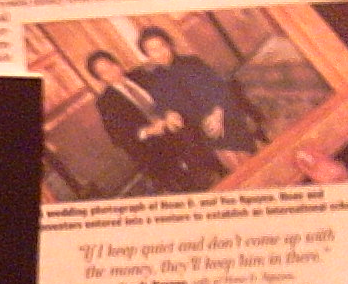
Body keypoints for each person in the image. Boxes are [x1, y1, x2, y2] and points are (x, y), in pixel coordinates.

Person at [87, 49, 222, 193]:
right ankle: (196, 186)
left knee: (193, 126)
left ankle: (220, 172)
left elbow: (169, 94)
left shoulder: (141, 75)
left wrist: (170, 112)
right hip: (150, 142)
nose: (112, 72)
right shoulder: (106, 102)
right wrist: (148, 131)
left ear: (117, 64)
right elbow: (118, 137)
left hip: (173, 121)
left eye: (111, 66)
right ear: (101, 79)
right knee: (169, 153)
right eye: (104, 73)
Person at [135, 25, 259, 172]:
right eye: (153, 50)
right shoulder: (155, 81)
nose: (160, 52)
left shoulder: (192, 63)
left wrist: (217, 114)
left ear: (169, 45)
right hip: (202, 128)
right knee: (232, 163)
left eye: (162, 46)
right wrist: (169, 114)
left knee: (246, 161)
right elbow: (161, 105)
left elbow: (220, 88)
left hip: (224, 113)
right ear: (148, 55)